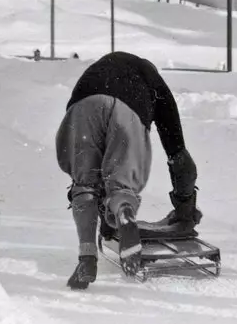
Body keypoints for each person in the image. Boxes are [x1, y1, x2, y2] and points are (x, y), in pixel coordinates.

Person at [55, 51, 201, 290]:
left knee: (84, 183)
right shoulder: (155, 84)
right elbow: (179, 156)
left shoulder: (100, 67)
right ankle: (123, 209)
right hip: (128, 109)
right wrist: (186, 205)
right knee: (121, 185)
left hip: (83, 105)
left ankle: (87, 257)